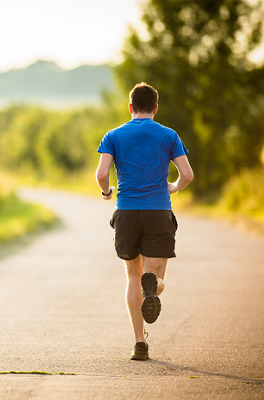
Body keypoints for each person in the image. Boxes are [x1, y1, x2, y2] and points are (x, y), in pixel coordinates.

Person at [95, 82, 193, 361]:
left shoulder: (113, 135)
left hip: (126, 212)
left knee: (132, 277)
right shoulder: (168, 135)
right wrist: (173, 186)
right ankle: (155, 287)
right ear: (155, 108)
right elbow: (187, 175)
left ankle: (139, 343)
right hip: (157, 211)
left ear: (130, 107)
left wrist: (106, 192)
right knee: (155, 277)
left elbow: (102, 174)